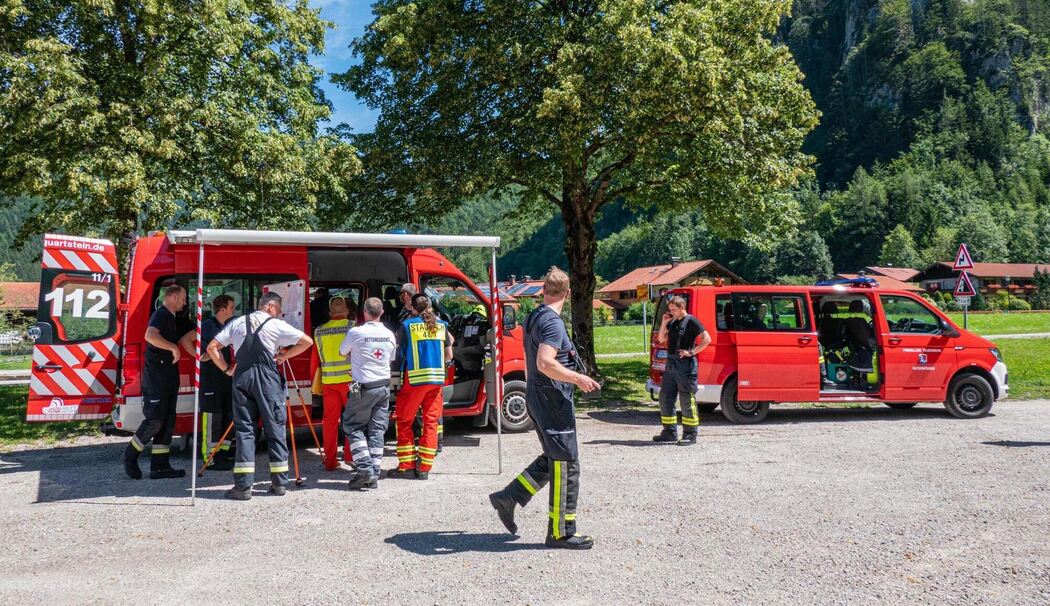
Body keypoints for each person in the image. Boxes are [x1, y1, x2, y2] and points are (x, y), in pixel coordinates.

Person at [488, 267, 601, 550]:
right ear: (568, 293)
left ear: (542, 291)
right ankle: (561, 531)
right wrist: (578, 378)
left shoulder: (535, 315)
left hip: (539, 396)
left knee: (554, 458)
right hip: (552, 398)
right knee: (567, 463)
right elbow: (545, 362)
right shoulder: (553, 323)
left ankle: (509, 497)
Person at [207, 292, 313, 501]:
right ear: (271, 307)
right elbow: (307, 341)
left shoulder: (237, 322)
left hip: (242, 377)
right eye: (278, 310)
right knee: (275, 428)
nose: (278, 314)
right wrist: (285, 355)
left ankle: (243, 487)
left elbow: (212, 348)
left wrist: (227, 369)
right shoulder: (276, 325)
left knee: (245, 431)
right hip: (267, 379)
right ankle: (279, 484)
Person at [123, 284, 192, 480]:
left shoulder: (170, 317)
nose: (185, 302)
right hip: (157, 379)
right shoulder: (161, 314)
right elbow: (150, 335)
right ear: (173, 297)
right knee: (155, 420)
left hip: (168, 377)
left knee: (167, 422)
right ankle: (130, 456)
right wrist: (174, 348)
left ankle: (160, 466)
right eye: (183, 297)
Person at [392, 293, 452, 480]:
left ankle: (407, 466)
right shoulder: (441, 325)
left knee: (404, 421)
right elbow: (449, 355)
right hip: (436, 381)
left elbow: (397, 355)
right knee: (431, 423)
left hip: (414, 382)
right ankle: (424, 467)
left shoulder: (407, 326)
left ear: (413, 308)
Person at [339, 297, 397, 490]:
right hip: (383, 387)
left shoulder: (356, 332)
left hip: (363, 386)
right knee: (377, 430)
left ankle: (364, 471)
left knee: (353, 426)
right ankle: (374, 472)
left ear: (364, 312)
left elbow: (342, 352)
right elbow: (389, 359)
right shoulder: (389, 335)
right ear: (381, 312)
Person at [180, 294, 237, 470]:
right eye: (231, 306)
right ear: (222, 308)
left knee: (229, 415)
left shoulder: (230, 325)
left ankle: (224, 453)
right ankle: (210, 457)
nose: (234, 309)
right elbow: (185, 340)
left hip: (228, 379)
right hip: (211, 379)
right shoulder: (206, 325)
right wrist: (198, 357)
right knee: (213, 418)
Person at [652, 295, 711, 446]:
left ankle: (690, 434)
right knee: (665, 397)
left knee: (686, 400)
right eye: (670, 309)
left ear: (682, 307)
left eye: (674, 309)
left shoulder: (692, 321)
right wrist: (664, 322)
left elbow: (707, 339)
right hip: (671, 365)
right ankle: (669, 432)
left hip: (685, 366)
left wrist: (691, 352)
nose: (671, 312)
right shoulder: (672, 322)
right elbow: (661, 339)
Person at [310, 296, 354, 471]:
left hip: (328, 382)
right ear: (347, 311)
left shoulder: (319, 331)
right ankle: (351, 456)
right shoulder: (353, 328)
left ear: (330, 313)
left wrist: (314, 384)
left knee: (329, 422)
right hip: (351, 382)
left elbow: (314, 362)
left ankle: (330, 461)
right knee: (353, 420)